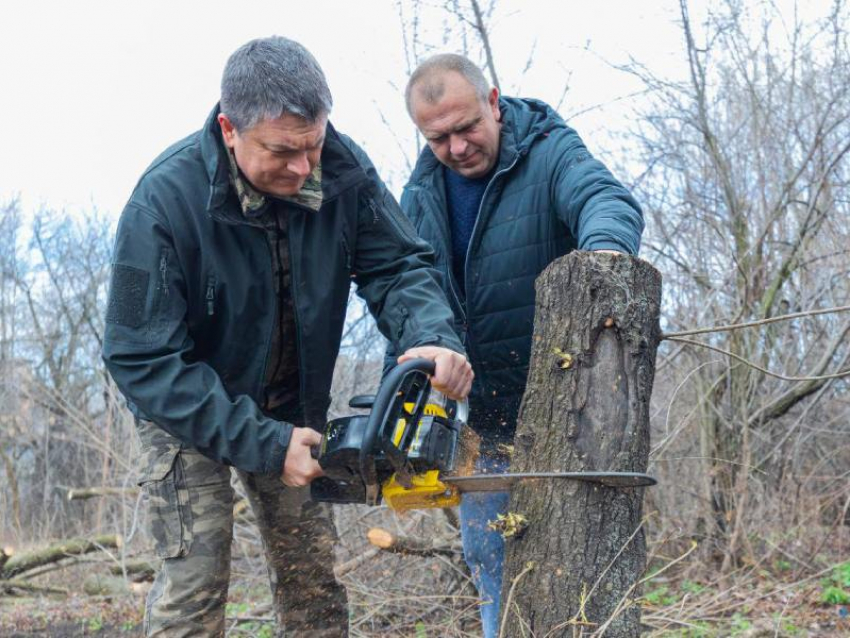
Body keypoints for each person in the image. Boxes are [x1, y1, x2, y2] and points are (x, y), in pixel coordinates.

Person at [102, 37, 472, 637]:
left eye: (313, 146)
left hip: (291, 405)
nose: (303, 168)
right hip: (185, 412)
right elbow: (138, 358)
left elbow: (399, 266)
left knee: (314, 582)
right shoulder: (162, 203)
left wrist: (429, 336)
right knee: (195, 585)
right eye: (281, 151)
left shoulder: (343, 170)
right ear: (229, 128)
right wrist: (263, 442)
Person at [392, 53, 644, 637]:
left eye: (467, 127)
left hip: (570, 420)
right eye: (438, 137)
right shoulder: (420, 193)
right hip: (482, 428)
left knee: (579, 577)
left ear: (494, 103)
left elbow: (606, 199)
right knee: (496, 573)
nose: (456, 148)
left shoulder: (549, 150)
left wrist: (604, 254)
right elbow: (409, 297)